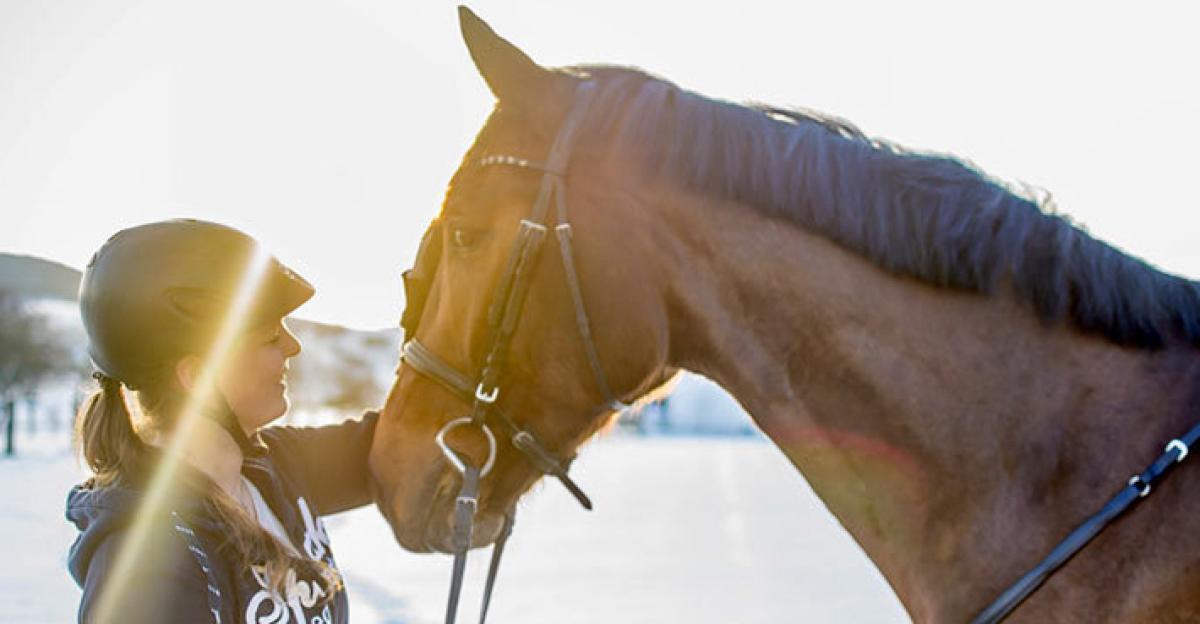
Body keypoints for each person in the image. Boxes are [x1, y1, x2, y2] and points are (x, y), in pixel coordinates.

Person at [65, 219, 380, 624]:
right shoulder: (144, 571)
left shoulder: (277, 466)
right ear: (197, 377)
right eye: (270, 338)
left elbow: (408, 439)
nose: (293, 346)